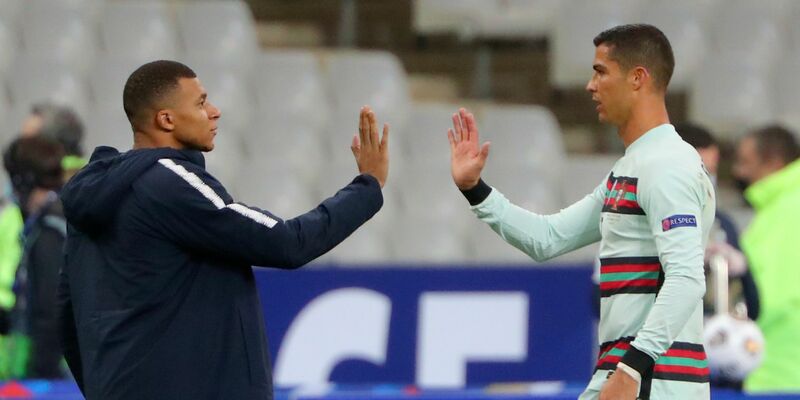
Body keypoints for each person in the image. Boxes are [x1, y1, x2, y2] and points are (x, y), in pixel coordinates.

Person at [57, 60, 389, 400]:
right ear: (166, 119)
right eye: (201, 103)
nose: (214, 112)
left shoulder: (89, 198)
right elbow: (287, 243)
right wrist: (367, 187)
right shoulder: (169, 181)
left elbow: (68, 316)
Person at [449, 25, 714, 399]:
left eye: (601, 71)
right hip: (629, 374)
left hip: (653, 381)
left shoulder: (667, 166)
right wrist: (475, 190)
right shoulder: (634, 167)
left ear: (638, 78)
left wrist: (631, 369)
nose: (590, 85)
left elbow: (686, 277)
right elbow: (547, 239)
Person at [732, 125, 800, 393]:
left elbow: (771, 298)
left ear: (773, 163)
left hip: (780, 373)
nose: (738, 172)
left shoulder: (787, 211)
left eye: (745, 162)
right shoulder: (779, 207)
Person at [674, 122, 759, 322]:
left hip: (714, 344)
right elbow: (601, 300)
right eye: (699, 170)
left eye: (711, 171)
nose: (706, 180)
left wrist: (743, 271)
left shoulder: (721, 225)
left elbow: (754, 307)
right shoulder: (637, 222)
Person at [3, 135, 67, 378]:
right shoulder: (57, 219)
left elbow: (49, 310)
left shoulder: (50, 231)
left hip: (53, 373)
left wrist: (39, 372)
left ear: (24, 182)